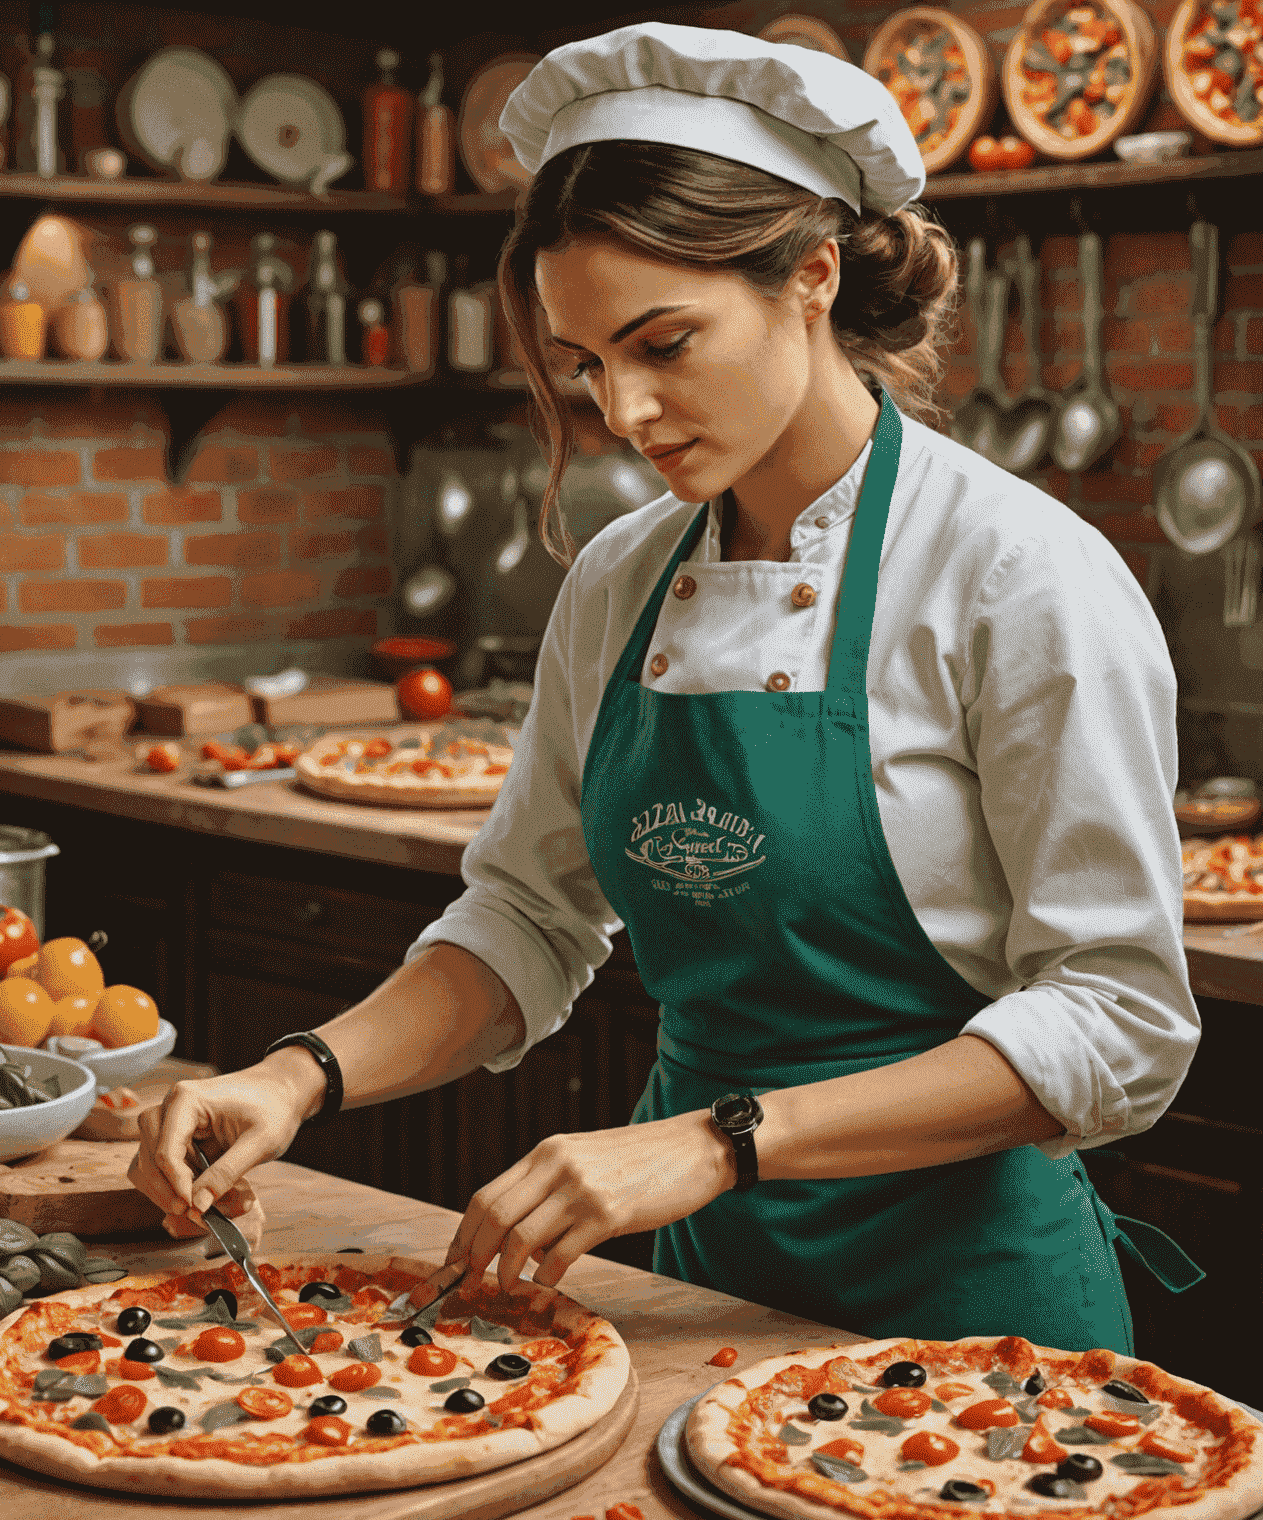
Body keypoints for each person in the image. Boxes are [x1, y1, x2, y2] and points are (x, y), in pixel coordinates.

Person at [130, 22, 1203, 1349]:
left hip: (974, 1326)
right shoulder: (622, 577)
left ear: (813, 275)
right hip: (685, 1293)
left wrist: (722, 1139)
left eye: (665, 343)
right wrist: (299, 1076)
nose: (623, 412)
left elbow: (1120, 1023)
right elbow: (526, 917)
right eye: (586, 362)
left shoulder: (1016, 575)